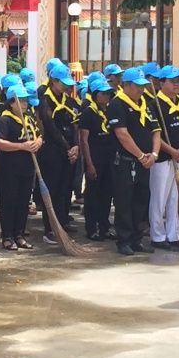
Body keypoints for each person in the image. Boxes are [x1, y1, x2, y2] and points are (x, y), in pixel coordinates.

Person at [106, 68, 160, 256]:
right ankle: (124, 240)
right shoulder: (117, 104)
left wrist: (154, 154)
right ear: (126, 85)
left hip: (145, 161)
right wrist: (141, 155)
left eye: (143, 86)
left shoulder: (146, 104)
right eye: (137, 86)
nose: (141, 90)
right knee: (124, 201)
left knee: (141, 200)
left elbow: (156, 131)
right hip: (125, 161)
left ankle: (137, 238)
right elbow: (122, 134)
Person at [149, 66, 179, 250]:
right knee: (160, 197)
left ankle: (173, 234)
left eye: (178, 81)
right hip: (163, 159)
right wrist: (171, 151)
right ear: (161, 83)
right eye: (172, 81)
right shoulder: (154, 105)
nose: (177, 84)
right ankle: (157, 235)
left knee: (176, 196)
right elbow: (155, 134)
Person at [0, 84, 41, 251]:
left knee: (23, 202)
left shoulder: (29, 118)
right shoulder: (5, 120)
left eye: (25, 100)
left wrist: (37, 142)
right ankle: (7, 236)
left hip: (28, 167)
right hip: (10, 168)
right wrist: (21, 146)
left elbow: (39, 135)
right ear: (12, 103)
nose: (24, 104)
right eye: (20, 100)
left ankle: (19, 234)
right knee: (9, 201)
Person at [37, 62, 79, 244]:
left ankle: (62, 224)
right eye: (62, 83)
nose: (66, 87)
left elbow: (75, 125)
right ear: (53, 81)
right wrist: (67, 146)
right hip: (52, 150)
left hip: (68, 150)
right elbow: (50, 127)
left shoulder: (68, 100)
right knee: (52, 190)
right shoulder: (45, 100)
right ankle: (50, 228)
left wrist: (75, 146)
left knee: (64, 189)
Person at [79, 76, 116, 241]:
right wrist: (89, 164)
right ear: (95, 95)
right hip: (95, 159)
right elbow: (84, 140)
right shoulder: (88, 113)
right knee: (93, 195)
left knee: (107, 194)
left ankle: (104, 226)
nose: (107, 96)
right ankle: (91, 228)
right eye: (103, 93)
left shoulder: (109, 110)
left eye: (109, 93)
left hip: (109, 159)